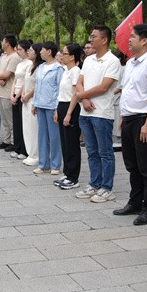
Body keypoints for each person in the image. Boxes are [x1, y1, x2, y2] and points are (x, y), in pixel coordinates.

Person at [112, 24, 147, 225]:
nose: (129, 39)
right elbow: (128, 91)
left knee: (146, 167)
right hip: (129, 118)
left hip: (143, 119)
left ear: (144, 40)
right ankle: (135, 202)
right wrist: (123, 116)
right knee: (132, 164)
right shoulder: (131, 63)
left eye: (133, 36)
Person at [74, 26, 122, 203]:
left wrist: (82, 96)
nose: (90, 39)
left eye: (94, 36)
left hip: (101, 113)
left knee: (105, 152)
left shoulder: (112, 61)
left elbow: (104, 87)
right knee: (92, 151)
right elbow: (80, 82)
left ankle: (107, 188)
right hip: (85, 112)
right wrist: (84, 99)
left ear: (104, 39)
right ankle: (94, 184)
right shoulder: (88, 60)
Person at [32, 41, 65, 175]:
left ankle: (55, 165)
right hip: (40, 105)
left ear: (49, 52)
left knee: (54, 136)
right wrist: (34, 103)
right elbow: (37, 87)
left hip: (52, 106)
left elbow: (60, 89)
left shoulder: (58, 69)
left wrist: (57, 108)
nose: (40, 52)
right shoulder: (41, 67)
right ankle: (43, 164)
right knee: (42, 136)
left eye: (42, 50)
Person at [56, 43, 83, 190]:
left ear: (72, 57)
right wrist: (57, 111)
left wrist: (68, 114)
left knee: (72, 143)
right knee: (65, 142)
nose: (61, 55)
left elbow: (75, 94)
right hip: (62, 105)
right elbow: (62, 93)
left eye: (64, 53)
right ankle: (67, 173)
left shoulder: (76, 71)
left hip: (71, 108)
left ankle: (73, 177)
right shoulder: (66, 70)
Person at [0, 35, 21, 150]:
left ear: (8, 43)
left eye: (3, 41)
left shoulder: (15, 57)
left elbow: (7, 74)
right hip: (0, 91)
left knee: (10, 119)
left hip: (8, 92)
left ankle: (14, 141)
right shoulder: (4, 56)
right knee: (4, 119)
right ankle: (7, 140)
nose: (1, 43)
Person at [9, 40, 33, 157]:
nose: (18, 51)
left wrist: (17, 96)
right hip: (15, 94)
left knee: (23, 123)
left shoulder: (29, 64)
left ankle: (24, 150)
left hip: (22, 95)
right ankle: (17, 147)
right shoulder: (19, 64)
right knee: (16, 123)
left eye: (20, 49)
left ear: (27, 50)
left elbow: (25, 82)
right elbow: (15, 81)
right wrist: (12, 95)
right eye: (17, 49)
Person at [21, 44, 42, 166]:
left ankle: (35, 154)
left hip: (33, 100)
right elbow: (25, 82)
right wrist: (23, 94)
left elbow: (37, 85)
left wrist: (28, 95)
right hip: (25, 99)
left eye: (31, 50)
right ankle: (30, 153)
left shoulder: (40, 68)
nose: (28, 52)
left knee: (34, 129)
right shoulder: (30, 66)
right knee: (27, 127)